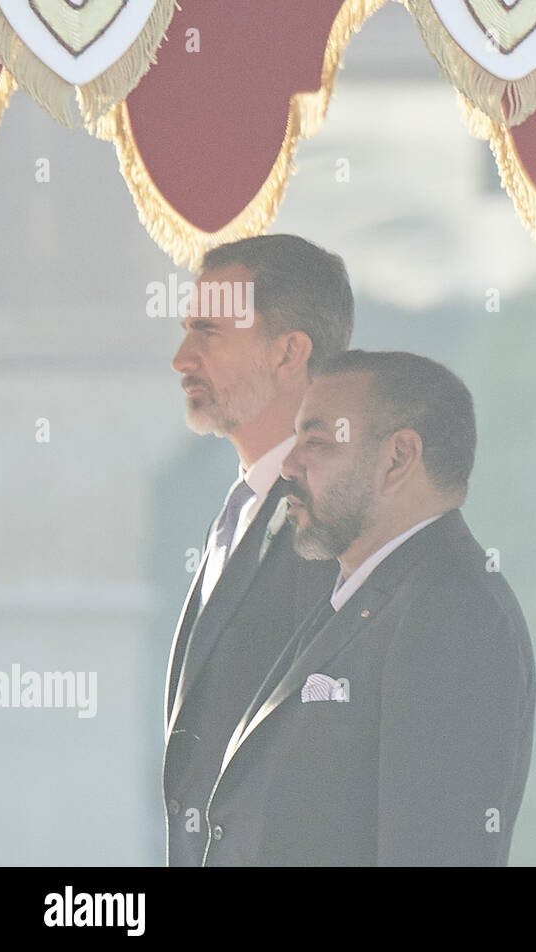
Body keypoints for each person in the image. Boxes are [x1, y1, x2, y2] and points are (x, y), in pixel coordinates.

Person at [201, 350, 536, 865]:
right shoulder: (362, 594)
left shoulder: (453, 610)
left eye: (315, 440)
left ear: (399, 458)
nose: (289, 464)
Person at [164, 235, 353, 866]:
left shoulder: (339, 526)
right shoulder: (241, 508)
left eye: (208, 333)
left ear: (288, 352)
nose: (181, 358)